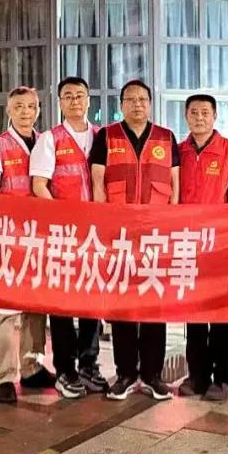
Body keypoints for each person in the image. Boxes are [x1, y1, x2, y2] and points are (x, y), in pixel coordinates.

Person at [90, 79, 180, 401]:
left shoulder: (166, 137)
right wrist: (105, 227)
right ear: (122, 105)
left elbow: (175, 184)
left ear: (150, 104)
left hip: (156, 234)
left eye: (142, 99)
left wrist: (171, 226)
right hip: (120, 236)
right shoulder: (106, 136)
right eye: (131, 99)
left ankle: (153, 374)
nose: (137, 104)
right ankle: (126, 372)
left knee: (154, 303)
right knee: (123, 304)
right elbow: (98, 182)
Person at [30, 77, 107, 398]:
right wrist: (63, 219)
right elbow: (39, 185)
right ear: (60, 102)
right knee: (61, 303)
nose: (75, 101)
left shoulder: (103, 137)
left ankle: (89, 363)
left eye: (80, 95)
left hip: (97, 235)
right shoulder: (50, 139)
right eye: (68, 96)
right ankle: (65, 369)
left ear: (89, 100)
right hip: (62, 235)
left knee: (93, 300)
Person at [0, 86, 57, 404]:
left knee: (36, 306)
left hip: (40, 236)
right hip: (8, 237)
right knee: (6, 310)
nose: (26, 112)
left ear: (38, 110)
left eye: (31, 106)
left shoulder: (46, 142)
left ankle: (32, 367)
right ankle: (4, 376)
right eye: (19, 106)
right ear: (9, 110)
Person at [176, 94, 228, 402]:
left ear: (215, 116)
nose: (199, 118)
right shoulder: (178, 152)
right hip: (189, 246)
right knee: (193, 316)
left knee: (220, 317)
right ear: (186, 116)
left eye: (205, 112)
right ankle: (197, 376)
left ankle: (223, 378)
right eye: (194, 112)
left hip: (221, 247)